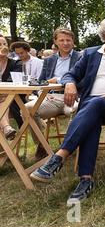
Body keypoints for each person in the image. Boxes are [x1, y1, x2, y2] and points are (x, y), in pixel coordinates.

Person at [30, 14, 105, 202]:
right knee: (93, 113)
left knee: (94, 103)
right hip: (92, 109)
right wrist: (69, 84)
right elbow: (70, 74)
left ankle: (59, 157)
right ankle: (86, 179)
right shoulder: (91, 53)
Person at [25, 27, 82, 161]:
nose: (65, 43)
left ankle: (67, 148)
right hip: (51, 97)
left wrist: (60, 80)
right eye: (62, 40)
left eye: (68, 40)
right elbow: (40, 82)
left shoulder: (81, 57)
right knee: (27, 110)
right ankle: (42, 145)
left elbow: (85, 79)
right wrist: (42, 93)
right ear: (55, 42)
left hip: (74, 96)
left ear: (73, 42)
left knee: (76, 110)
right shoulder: (49, 60)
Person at [0, 34, 24, 140]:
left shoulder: (16, 63)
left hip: (14, 98)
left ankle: (6, 129)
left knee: (3, 100)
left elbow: (14, 81)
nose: (3, 46)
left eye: (4, 44)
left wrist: (4, 93)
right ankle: (7, 128)